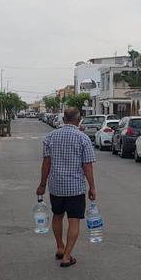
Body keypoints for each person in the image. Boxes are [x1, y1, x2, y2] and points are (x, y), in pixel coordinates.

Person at [37, 106, 97, 268]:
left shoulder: (50, 137)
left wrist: (42, 185)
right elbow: (87, 166)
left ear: (64, 120)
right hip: (75, 187)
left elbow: (46, 163)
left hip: (56, 186)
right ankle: (67, 256)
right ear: (79, 120)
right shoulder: (83, 138)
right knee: (74, 220)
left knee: (57, 216)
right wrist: (92, 187)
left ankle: (60, 247)